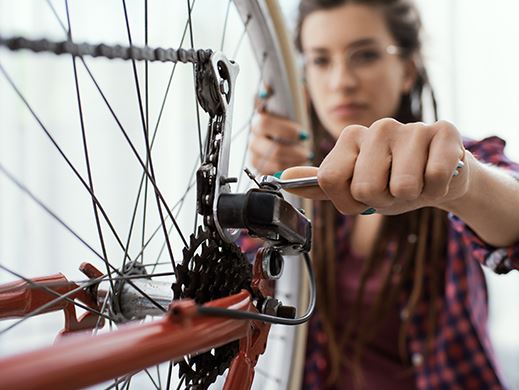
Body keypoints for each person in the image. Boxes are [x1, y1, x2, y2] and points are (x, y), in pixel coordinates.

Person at [247, 0, 519, 388]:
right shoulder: (298, 182)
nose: (341, 80)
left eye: (366, 55)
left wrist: (466, 184)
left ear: (407, 70)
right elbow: (242, 302)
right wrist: (266, 193)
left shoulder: (447, 157)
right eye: (321, 61)